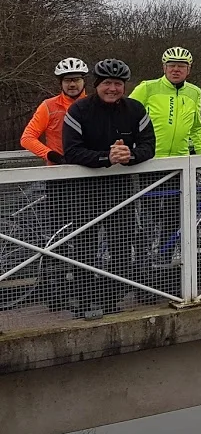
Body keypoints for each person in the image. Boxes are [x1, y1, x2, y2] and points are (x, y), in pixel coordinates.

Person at [62, 59, 156, 316]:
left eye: (117, 84)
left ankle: (109, 298)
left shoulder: (135, 109)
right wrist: (107, 157)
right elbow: (71, 152)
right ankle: (84, 303)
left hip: (120, 191)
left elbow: (149, 146)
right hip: (84, 192)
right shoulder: (78, 110)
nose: (112, 88)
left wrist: (131, 156)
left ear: (124, 86)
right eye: (107, 84)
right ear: (96, 85)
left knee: (123, 250)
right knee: (84, 250)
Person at [129, 47, 201, 157]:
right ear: (164, 67)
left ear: (188, 69)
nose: (176, 69)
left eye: (181, 66)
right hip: (150, 157)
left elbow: (196, 127)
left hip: (181, 159)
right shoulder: (147, 87)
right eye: (171, 65)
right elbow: (126, 118)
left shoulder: (195, 92)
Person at [21, 57, 88, 164]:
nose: (72, 84)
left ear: (84, 82)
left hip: (89, 169)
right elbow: (27, 138)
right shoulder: (48, 106)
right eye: (67, 80)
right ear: (60, 83)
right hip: (58, 171)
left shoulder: (93, 105)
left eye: (76, 79)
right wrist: (52, 155)